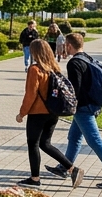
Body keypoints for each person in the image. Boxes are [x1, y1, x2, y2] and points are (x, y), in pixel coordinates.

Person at [56, 33, 102, 188]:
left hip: (83, 109)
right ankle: (65, 167)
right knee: (74, 137)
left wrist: (66, 104)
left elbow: (75, 90)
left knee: (95, 141)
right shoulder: (87, 58)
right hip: (91, 105)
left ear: (68, 45)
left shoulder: (74, 63)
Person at [16, 39, 82, 187]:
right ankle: (72, 168)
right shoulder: (54, 67)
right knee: (45, 143)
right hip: (53, 112)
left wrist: (22, 113)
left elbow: (30, 95)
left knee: (33, 144)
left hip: (38, 112)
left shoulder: (35, 70)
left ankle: (34, 179)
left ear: (35, 52)